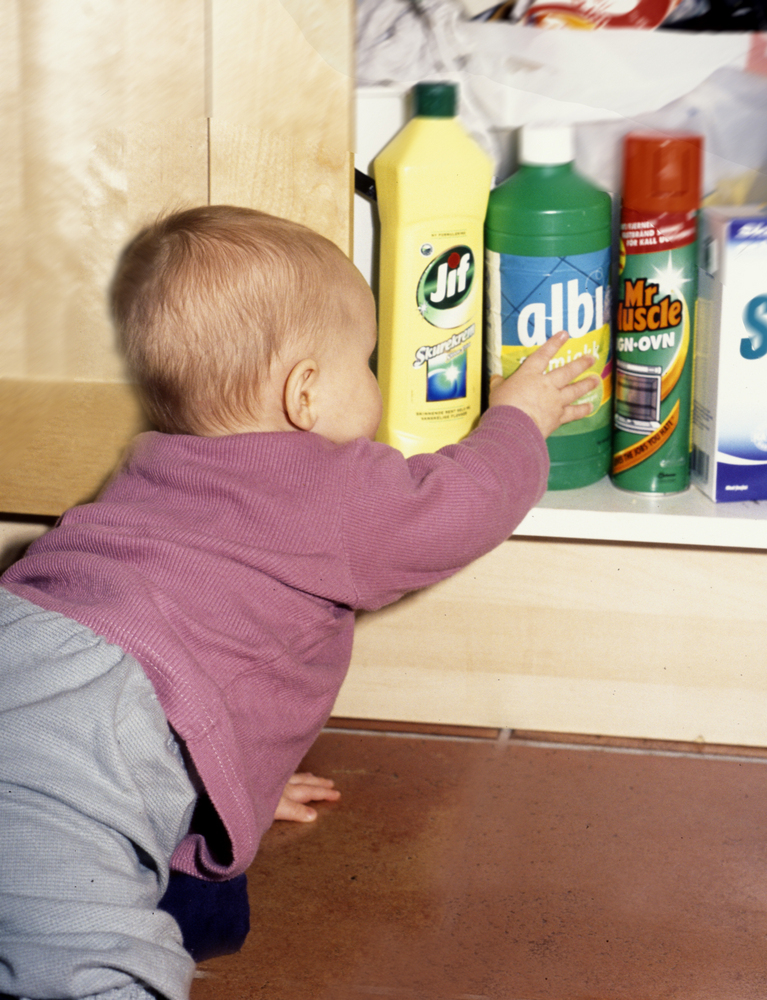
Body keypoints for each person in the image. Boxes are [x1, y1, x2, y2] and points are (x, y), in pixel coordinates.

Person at [0, 205, 598, 1000]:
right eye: (368, 361)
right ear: (306, 395)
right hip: (93, 716)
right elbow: (461, 504)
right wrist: (519, 421)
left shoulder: (159, 464)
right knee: (76, 949)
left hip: (32, 640)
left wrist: (233, 776)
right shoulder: (326, 489)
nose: (376, 384)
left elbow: (209, 665)